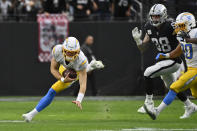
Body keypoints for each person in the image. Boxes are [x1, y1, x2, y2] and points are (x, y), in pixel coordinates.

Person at [132, 4, 195, 118]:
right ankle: (190, 106)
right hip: (164, 60)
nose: (155, 18)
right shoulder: (149, 27)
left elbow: (183, 42)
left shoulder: (172, 25)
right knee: (172, 86)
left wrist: (169, 55)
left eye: (157, 16)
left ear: (164, 15)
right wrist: (137, 41)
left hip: (173, 60)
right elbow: (143, 48)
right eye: (153, 16)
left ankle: (149, 103)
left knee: (148, 72)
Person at [22, 36, 103, 122]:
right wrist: (63, 79)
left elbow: (83, 83)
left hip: (75, 72)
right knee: (65, 77)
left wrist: (79, 99)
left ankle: (30, 115)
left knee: (55, 88)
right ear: (63, 49)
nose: (70, 55)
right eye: (68, 52)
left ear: (78, 52)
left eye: (73, 53)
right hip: (63, 68)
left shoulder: (82, 60)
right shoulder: (57, 50)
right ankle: (90, 66)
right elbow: (53, 69)